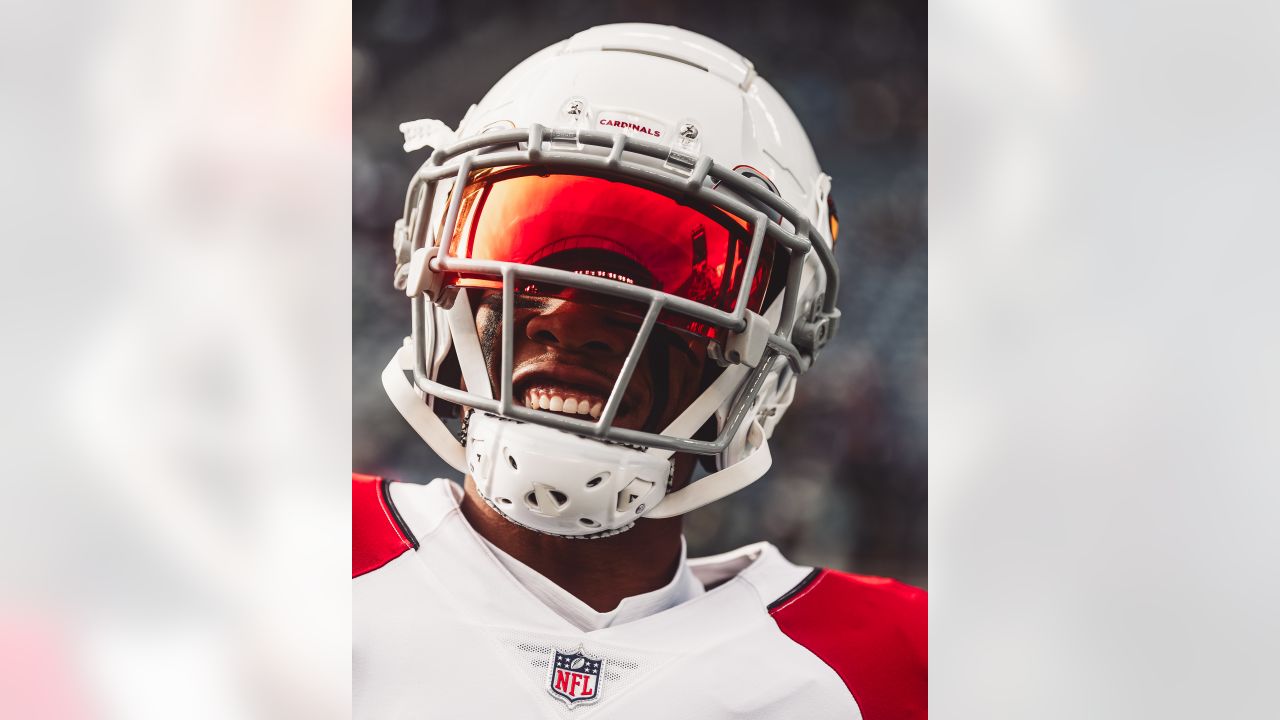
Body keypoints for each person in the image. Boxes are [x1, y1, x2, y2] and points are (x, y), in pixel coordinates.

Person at [354, 23, 925, 719]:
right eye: (523, 244)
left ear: (771, 335)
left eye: (689, 282)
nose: (567, 315)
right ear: (445, 277)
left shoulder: (891, 668)